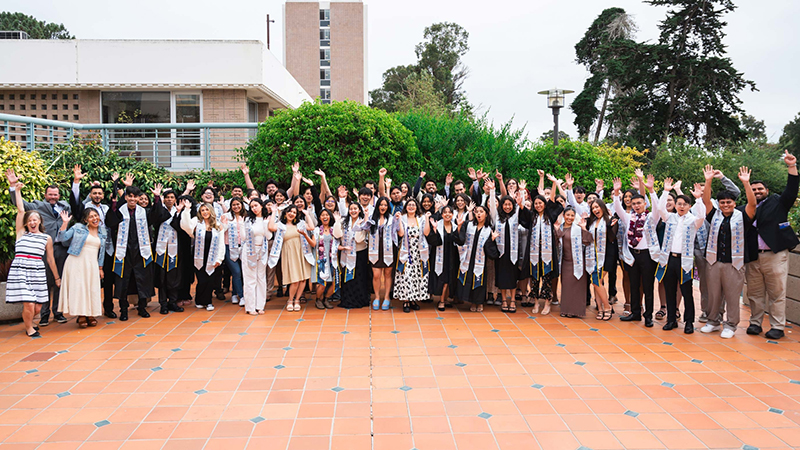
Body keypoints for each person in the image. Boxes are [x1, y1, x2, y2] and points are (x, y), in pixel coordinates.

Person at [744, 151, 798, 339]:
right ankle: (755, 323)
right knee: (755, 294)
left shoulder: (778, 203)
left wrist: (791, 166)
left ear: (766, 190)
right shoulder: (747, 208)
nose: (757, 192)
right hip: (753, 256)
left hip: (774, 255)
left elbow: (791, 191)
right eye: (754, 189)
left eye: (760, 189)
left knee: (777, 292)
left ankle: (777, 326)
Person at [7, 168, 70, 327]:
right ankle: (44, 315)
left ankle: (58, 313)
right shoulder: (37, 206)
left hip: (61, 248)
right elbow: (19, 206)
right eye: (50, 194)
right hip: (42, 248)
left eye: (55, 194)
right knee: (45, 281)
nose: (53, 197)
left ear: (59, 195)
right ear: (45, 195)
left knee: (58, 281)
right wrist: (13, 188)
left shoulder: (65, 207)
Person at [700, 165, 757, 339]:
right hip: (714, 261)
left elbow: (752, 203)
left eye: (729, 202)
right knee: (714, 294)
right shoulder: (714, 215)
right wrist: (708, 180)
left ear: (734, 203)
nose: (725, 205)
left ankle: (731, 325)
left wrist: (746, 184)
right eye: (722, 202)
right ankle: (713, 321)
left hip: (734, 263)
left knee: (732, 295)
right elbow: (706, 200)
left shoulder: (742, 216)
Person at [105, 177, 171, 321]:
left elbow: (158, 215)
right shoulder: (119, 211)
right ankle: (123, 310)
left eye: (135, 196)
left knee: (142, 279)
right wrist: (115, 199)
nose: (133, 199)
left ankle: (142, 307)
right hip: (124, 252)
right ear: (126, 197)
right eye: (130, 196)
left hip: (142, 252)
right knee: (123, 281)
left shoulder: (144, 212)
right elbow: (110, 221)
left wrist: (157, 197)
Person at [653, 178, 705, 333]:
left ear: (689, 207)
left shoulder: (694, 220)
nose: (681, 207)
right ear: (675, 205)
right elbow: (660, 208)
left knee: (687, 292)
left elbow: (702, 214)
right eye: (679, 204)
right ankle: (671, 320)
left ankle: (689, 322)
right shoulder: (670, 218)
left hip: (685, 260)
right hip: (669, 260)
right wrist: (666, 191)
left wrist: (698, 199)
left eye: (685, 204)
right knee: (669, 290)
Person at [613, 171, 661, 327]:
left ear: (644, 204)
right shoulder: (629, 217)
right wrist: (615, 193)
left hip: (647, 256)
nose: (636, 206)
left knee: (647, 286)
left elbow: (657, 206)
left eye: (639, 203)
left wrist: (651, 190)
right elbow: (618, 209)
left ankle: (648, 316)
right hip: (632, 255)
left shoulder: (651, 217)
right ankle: (635, 313)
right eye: (634, 204)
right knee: (634, 284)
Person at [692, 170, 741, 323]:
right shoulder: (698, 206)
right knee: (708, 286)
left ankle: (723, 316)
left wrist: (721, 177)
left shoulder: (725, 208)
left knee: (727, 287)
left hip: (729, 253)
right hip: (706, 251)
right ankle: (709, 313)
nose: (702, 191)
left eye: (705, 189)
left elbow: (735, 192)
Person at [69, 165, 115, 318]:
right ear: (90, 194)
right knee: (84, 281)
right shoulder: (84, 208)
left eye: (99, 193)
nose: (97, 195)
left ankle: (107, 308)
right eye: (94, 193)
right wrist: (76, 182)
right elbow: (74, 203)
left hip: (106, 248)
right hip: (87, 249)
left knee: (107, 281)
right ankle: (84, 313)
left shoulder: (107, 208)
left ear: (103, 195)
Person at [57, 208, 108, 328]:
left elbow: (102, 251)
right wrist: (65, 223)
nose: (94, 219)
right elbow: (63, 238)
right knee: (79, 289)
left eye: (96, 216)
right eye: (91, 217)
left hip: (92, 264)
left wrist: (100, 268)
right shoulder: (78, 227)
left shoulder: (103, 231)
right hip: (76, 261)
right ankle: (81, 315)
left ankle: (91, 314)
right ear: (86, 220)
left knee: (92, 288)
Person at [521, 174, 563, 315]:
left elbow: (552, 199)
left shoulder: (549, 215)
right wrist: (522, 192)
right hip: (534, 252)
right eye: (536, 203)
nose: (538, 205)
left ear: (544, 204)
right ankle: (536, 302)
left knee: (546, 278)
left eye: (541, 203)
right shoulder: (532, 216)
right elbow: (521, 208)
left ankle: (547, 303)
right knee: (534, 278)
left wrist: (553, 183)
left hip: (547, 252)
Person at [180, 201, 227, 311]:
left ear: (211, 211)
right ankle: (199, 300)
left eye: (207, 210)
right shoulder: (196, 222)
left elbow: (221, 244)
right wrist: (186, 210)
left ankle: (208, 302)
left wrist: (219, 259)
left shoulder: (218, 225)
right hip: (199, 256)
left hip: (212, 256)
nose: (205, 212)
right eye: (202, 210)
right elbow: (185, 226)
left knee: (210, 280)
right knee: (201, 280)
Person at [453, 204, 500, 312]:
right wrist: (459, 227)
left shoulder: (489, 229)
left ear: (486, 214)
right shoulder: (468, 225)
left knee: (479, 281)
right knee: (468, 279)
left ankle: (479, 302)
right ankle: (472, 302)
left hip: (480, 261)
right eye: (477, 212)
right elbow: (460, 240)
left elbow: (491, 251)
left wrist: (491, 240)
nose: (479, 214)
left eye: (481, 212)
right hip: (468, 259)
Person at [267, 205, 315, 312]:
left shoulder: (300, 224)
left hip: (302, 253)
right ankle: (290, 300)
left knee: (303, 279)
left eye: (294, 212)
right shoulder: (280, 225)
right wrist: (274, 212)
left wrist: (307, 214)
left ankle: (297, 300)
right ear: (285, 213)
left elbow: (311, 227)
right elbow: (271, 227)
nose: (291, 213)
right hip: (289, 254)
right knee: (294, 280)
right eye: (289, 211)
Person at [488, 179, 523, 313]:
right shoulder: (497, 217)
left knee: (513, 277)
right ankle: (503, 300)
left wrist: (521, 197)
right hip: (501, 252)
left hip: (513, 252)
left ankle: (512, 300)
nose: (507, 207)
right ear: (501, 205)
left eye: (509, 204)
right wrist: (492, 190)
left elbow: (521, 205)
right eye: (505, 204)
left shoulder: (515, 216)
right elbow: (492, 206)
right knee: (502, 277)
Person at [394, 198, 431, 313]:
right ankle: (406, 300)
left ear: (416, 207)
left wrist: (427, 219)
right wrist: (399, 220)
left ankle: (413, 299)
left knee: (416, 276)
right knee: (406, 275)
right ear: (406, 207)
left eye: (413, 205)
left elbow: (426, 233)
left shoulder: (420, 219)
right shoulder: (403, 218)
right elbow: (400, 233)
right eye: (409, 205)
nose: (411, 207)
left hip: (418, 252)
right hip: (406, 251)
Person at [555, 208, 593, 318]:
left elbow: (588, 240)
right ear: (563, 215)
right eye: (567, 215)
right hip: (565, 262)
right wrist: (557, 230)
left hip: (577, 261)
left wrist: (584, 228)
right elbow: (556, 242)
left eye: (572, 215)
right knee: (566, 286)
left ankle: (576, 311)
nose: (570, 217)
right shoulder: (560, 228)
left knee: (577, 287)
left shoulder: (577, 228)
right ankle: (566, 310)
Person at [153, 189, 185, 315]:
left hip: (175, 248)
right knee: (162, 277)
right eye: (167, 197)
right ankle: (163, 304)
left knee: (174, 276)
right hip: (161, 249)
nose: (170, 199)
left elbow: (180, 227)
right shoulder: (159, 210)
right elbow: (155, 220)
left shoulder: (180, 211)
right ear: (164, 199)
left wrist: (177, 213)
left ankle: (173, 301)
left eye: (172, 197)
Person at [585, 199, 618, 321]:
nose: (595, 209)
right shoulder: (591, 222)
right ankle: (599, 308)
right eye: (593, 208)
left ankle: (607, 307)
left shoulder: (610, 220)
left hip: (606, 255)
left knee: (597, 280)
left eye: (597, 207)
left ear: (603, 207)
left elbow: (612, 238)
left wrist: (610, 227)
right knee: (595, 281)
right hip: (592, 255)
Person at [335, 202, 371, 309]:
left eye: (355, 208)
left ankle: (360, 300)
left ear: (359, 210)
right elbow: (337, 234)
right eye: (351, 209)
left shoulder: (363, 222)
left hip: (360, 253)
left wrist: (361, 225)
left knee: (359, 277)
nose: (353, 211)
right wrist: (337, 221)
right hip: (346, 253)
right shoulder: (343, 222)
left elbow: (359, 239)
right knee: (347, 277)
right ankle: (347, 299)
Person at [240, 199, 270, 315]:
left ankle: (260, 305)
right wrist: (242, 225)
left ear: (261, 206)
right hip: (249, 250)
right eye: (252, 207)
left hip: (262, 250)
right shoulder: (248, 220)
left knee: (261, 278)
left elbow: (268, 236)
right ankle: (250, 306)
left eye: (256, 205)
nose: (254, 208)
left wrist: (266, 224)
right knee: (250, 279)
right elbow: (243, 237)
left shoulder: (265, 220)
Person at [427, 205, 460, 311]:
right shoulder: (437, 225)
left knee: (450, 278)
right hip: (439, 256)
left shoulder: (455, 226)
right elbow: (434, 242)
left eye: (449, 212)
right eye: (445, 212)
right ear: (441, 215)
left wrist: (459, 227)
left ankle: (445, 299)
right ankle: (441, 300)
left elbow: (460, 240)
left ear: (452, 214)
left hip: (452, 257)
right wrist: (435, 230)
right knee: (444, 278)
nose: (447, 214)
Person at [368, 197, 396, 311]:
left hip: (389, 249)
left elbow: (397, 232)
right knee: (376, 275)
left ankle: (387, 297)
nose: (383, 207)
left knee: (388, 274)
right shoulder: (371, 218)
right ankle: (377, 297)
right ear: (377, 206)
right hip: (375, 249)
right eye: (381, 205)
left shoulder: (392, 219)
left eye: (385, 205)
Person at [312, 208, 340, 309]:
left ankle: (326, 299)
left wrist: (344, 248)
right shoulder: (316, 230)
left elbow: (337, 244)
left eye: (327, 215)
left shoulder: (334, 229)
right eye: (323, 215)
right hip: (321, 259)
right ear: (319, 218)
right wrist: (305, 236)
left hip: (332, 259)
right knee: (322, 284)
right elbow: (314, 243)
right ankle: (318, 300)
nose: (325, 217)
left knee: (334, 283)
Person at [224, 197, 247, 307]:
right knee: (236, 271)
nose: (236, 206)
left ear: (242, 205)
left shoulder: (246, 217)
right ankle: (242, 296)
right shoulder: (226, 217)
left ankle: (234, 294)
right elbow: (221, 230)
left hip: (243, 247)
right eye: (233, 205)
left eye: (238, 204)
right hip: (229, 247)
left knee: (240, 271)